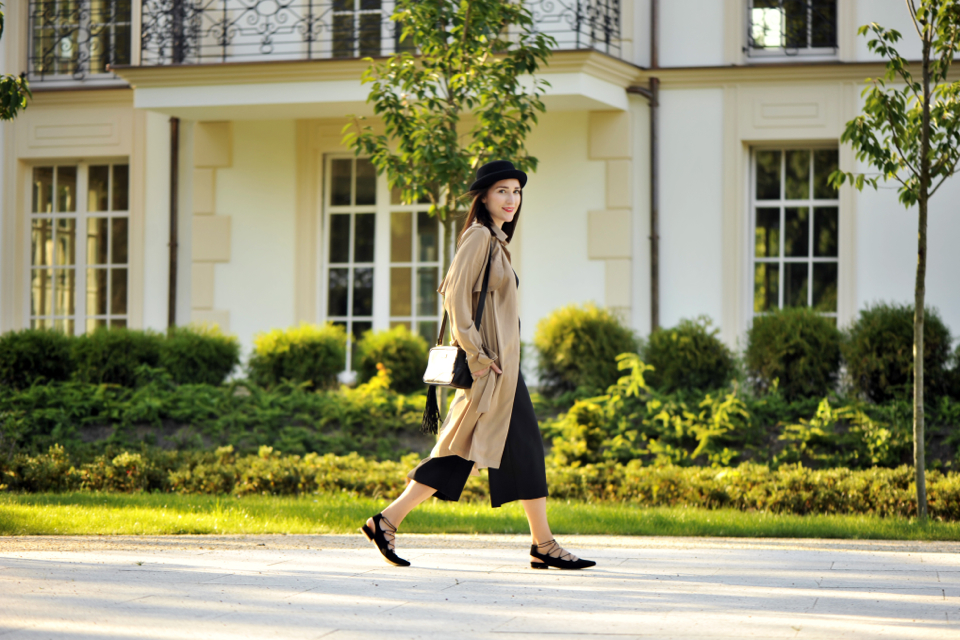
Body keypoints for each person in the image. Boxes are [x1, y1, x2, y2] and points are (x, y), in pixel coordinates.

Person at [360, 160, 596, 571]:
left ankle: (388, 520)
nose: (511, 199)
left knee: (471, 451)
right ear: (483, 196)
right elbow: (453, 296)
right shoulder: (478, 237)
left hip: (502, 368)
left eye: (517, 192)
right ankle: (543, 545)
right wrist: (476, 355)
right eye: (502, 190)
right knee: (501, 449)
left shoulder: (496, 241)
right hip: (489, 368)